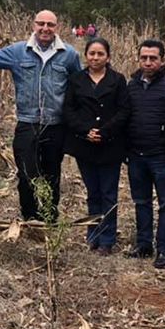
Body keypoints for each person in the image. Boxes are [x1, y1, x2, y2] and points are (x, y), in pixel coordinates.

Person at [0, 10, 81, 222]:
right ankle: (30, 217)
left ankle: (50, 217)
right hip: (27, 123)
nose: (45, 28)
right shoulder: (18, 52)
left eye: (50, 24)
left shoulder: (69, 54)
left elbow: (79, 86)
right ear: (33, 25)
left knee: (52, 174)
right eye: (41, 24)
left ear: (56, 27)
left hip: (55, 125)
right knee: (25, 174)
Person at [63, 38, 128, 255]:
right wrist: (86, 131)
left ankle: (108, 239)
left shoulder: (118, 80)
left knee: (108, 193)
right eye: (92, 53)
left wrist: (104, 131)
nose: (95, 57)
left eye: (100, 54)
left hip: (110, 145)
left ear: (108, 57)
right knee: (93, 192)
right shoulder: (76, 80)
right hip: (85, 145)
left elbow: (123, 111)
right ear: (86, 56)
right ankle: (93, 235)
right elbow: (69, 111)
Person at [126, 39, 165, 269]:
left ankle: (164, 250)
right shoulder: (132, 85)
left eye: (153, 58)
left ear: (162, 60)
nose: (148, 62)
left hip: (162, 156)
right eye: (144, 58)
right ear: (138, 59)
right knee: (141, 201)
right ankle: (143, 244)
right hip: (137, 155)